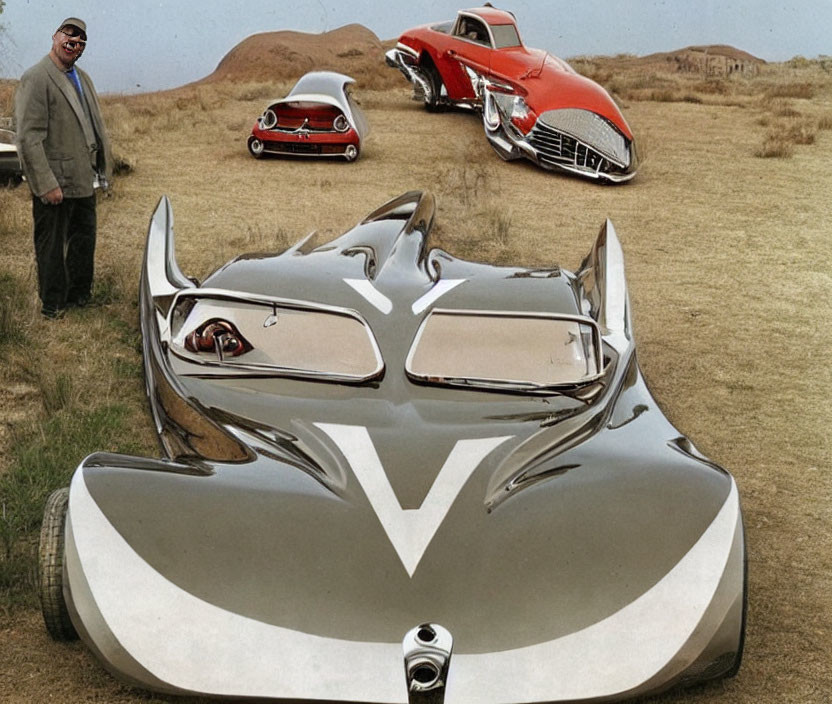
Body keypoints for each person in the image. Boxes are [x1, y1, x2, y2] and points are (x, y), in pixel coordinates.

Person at [15, 17, 112, 319]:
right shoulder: (37, 77)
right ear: (55, 37)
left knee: (84, 239)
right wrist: (45, 184)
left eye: (82, 41)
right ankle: (53, 305)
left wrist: (103, 170)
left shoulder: (82, 77)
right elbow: (29, 136)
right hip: (55, 181)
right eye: (70, 36)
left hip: (84, 177)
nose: (75, 43)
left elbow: (93, 125)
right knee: (52, 244)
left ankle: (78, 296)